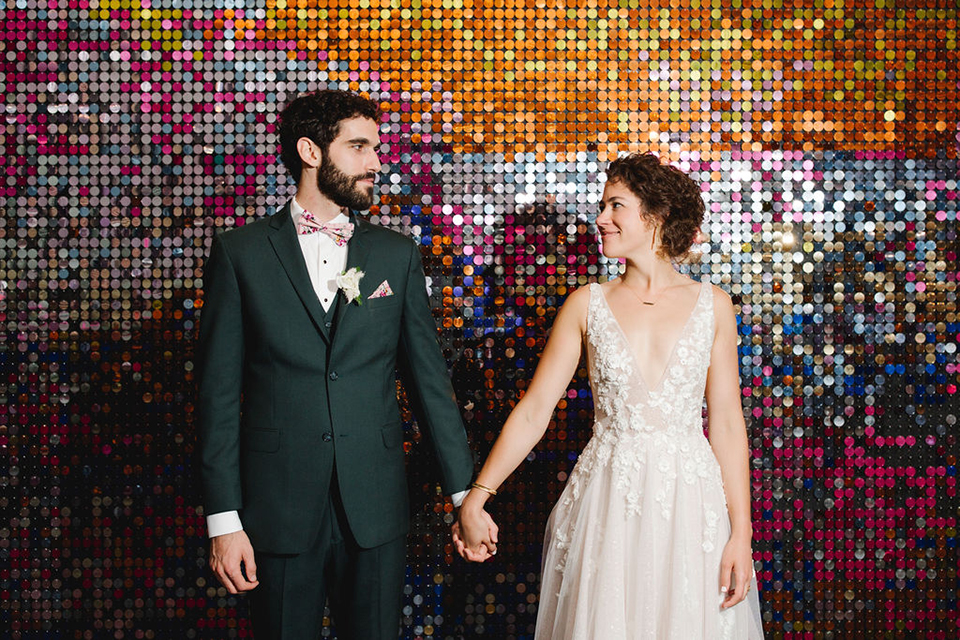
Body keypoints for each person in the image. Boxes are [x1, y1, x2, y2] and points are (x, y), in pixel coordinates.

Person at [197, 89, 483, 639]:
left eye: (376, 147)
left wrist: (463, 494)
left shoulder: (396, 255)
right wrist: (223, 520)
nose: (376, 162)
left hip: (374, 508)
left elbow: (430, 386)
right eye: (359, 147)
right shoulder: (240, 253)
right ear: (310, 151)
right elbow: (216, 397)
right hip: (273, 510)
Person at [454, 153, 765, 638]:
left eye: (615, 205)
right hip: (609, 501)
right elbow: (535, 410)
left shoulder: (713, 306)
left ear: (656, 215)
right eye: (603, 206)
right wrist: (478, 496)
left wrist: (741, 535)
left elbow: (726, 423)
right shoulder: (586, 304)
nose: (600, 219)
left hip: (691, 503)